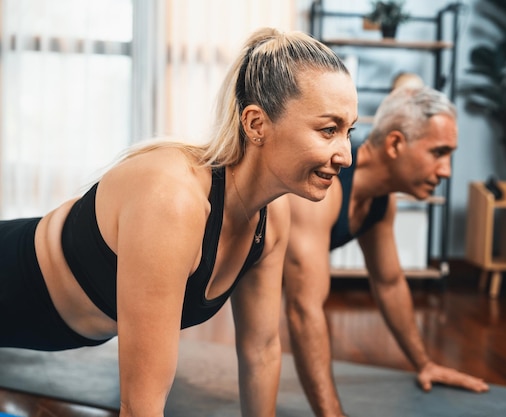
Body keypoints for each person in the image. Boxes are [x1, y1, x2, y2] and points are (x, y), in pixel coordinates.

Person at [0, 27, 358, 417]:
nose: (346, 155)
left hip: (52, 329)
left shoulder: (271, 218)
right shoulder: (173, 200)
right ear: (256, 124)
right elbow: (140, 407)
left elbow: (261, 349)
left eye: (348, 132)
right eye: (328, 130)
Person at [283, 85, 489, 417]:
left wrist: (424, 363)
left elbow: (389, 283)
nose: (447, 171)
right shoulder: (323, 187)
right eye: (439, 153)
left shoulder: (380, 202)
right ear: (394, 144)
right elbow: (304, 310)